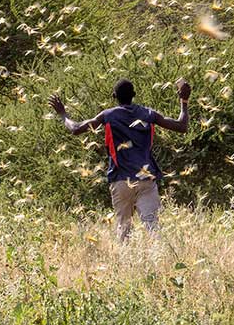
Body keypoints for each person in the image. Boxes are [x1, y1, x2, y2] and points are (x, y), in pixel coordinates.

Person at [48, 78, 191, 241]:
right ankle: (159, 261)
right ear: (134, 95)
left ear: (114, 96)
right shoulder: (149, 114)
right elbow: (182, 126)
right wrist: (184, 100)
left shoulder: (108, 115)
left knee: (124, 230)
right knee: (153, 227)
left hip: (121, 181)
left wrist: (62, 114)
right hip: (146, 179)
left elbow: (75, 129)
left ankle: (125, 263)